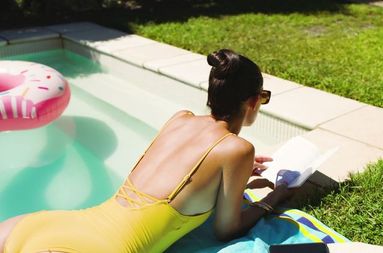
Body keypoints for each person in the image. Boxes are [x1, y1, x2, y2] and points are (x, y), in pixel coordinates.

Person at [0, 49, 295, 253]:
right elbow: (226, 230)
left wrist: (235, 177)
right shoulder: (237, 149)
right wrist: (274, 197)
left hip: (39, 225)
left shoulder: (181, 119)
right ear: (254, 101)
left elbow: (179, 178)